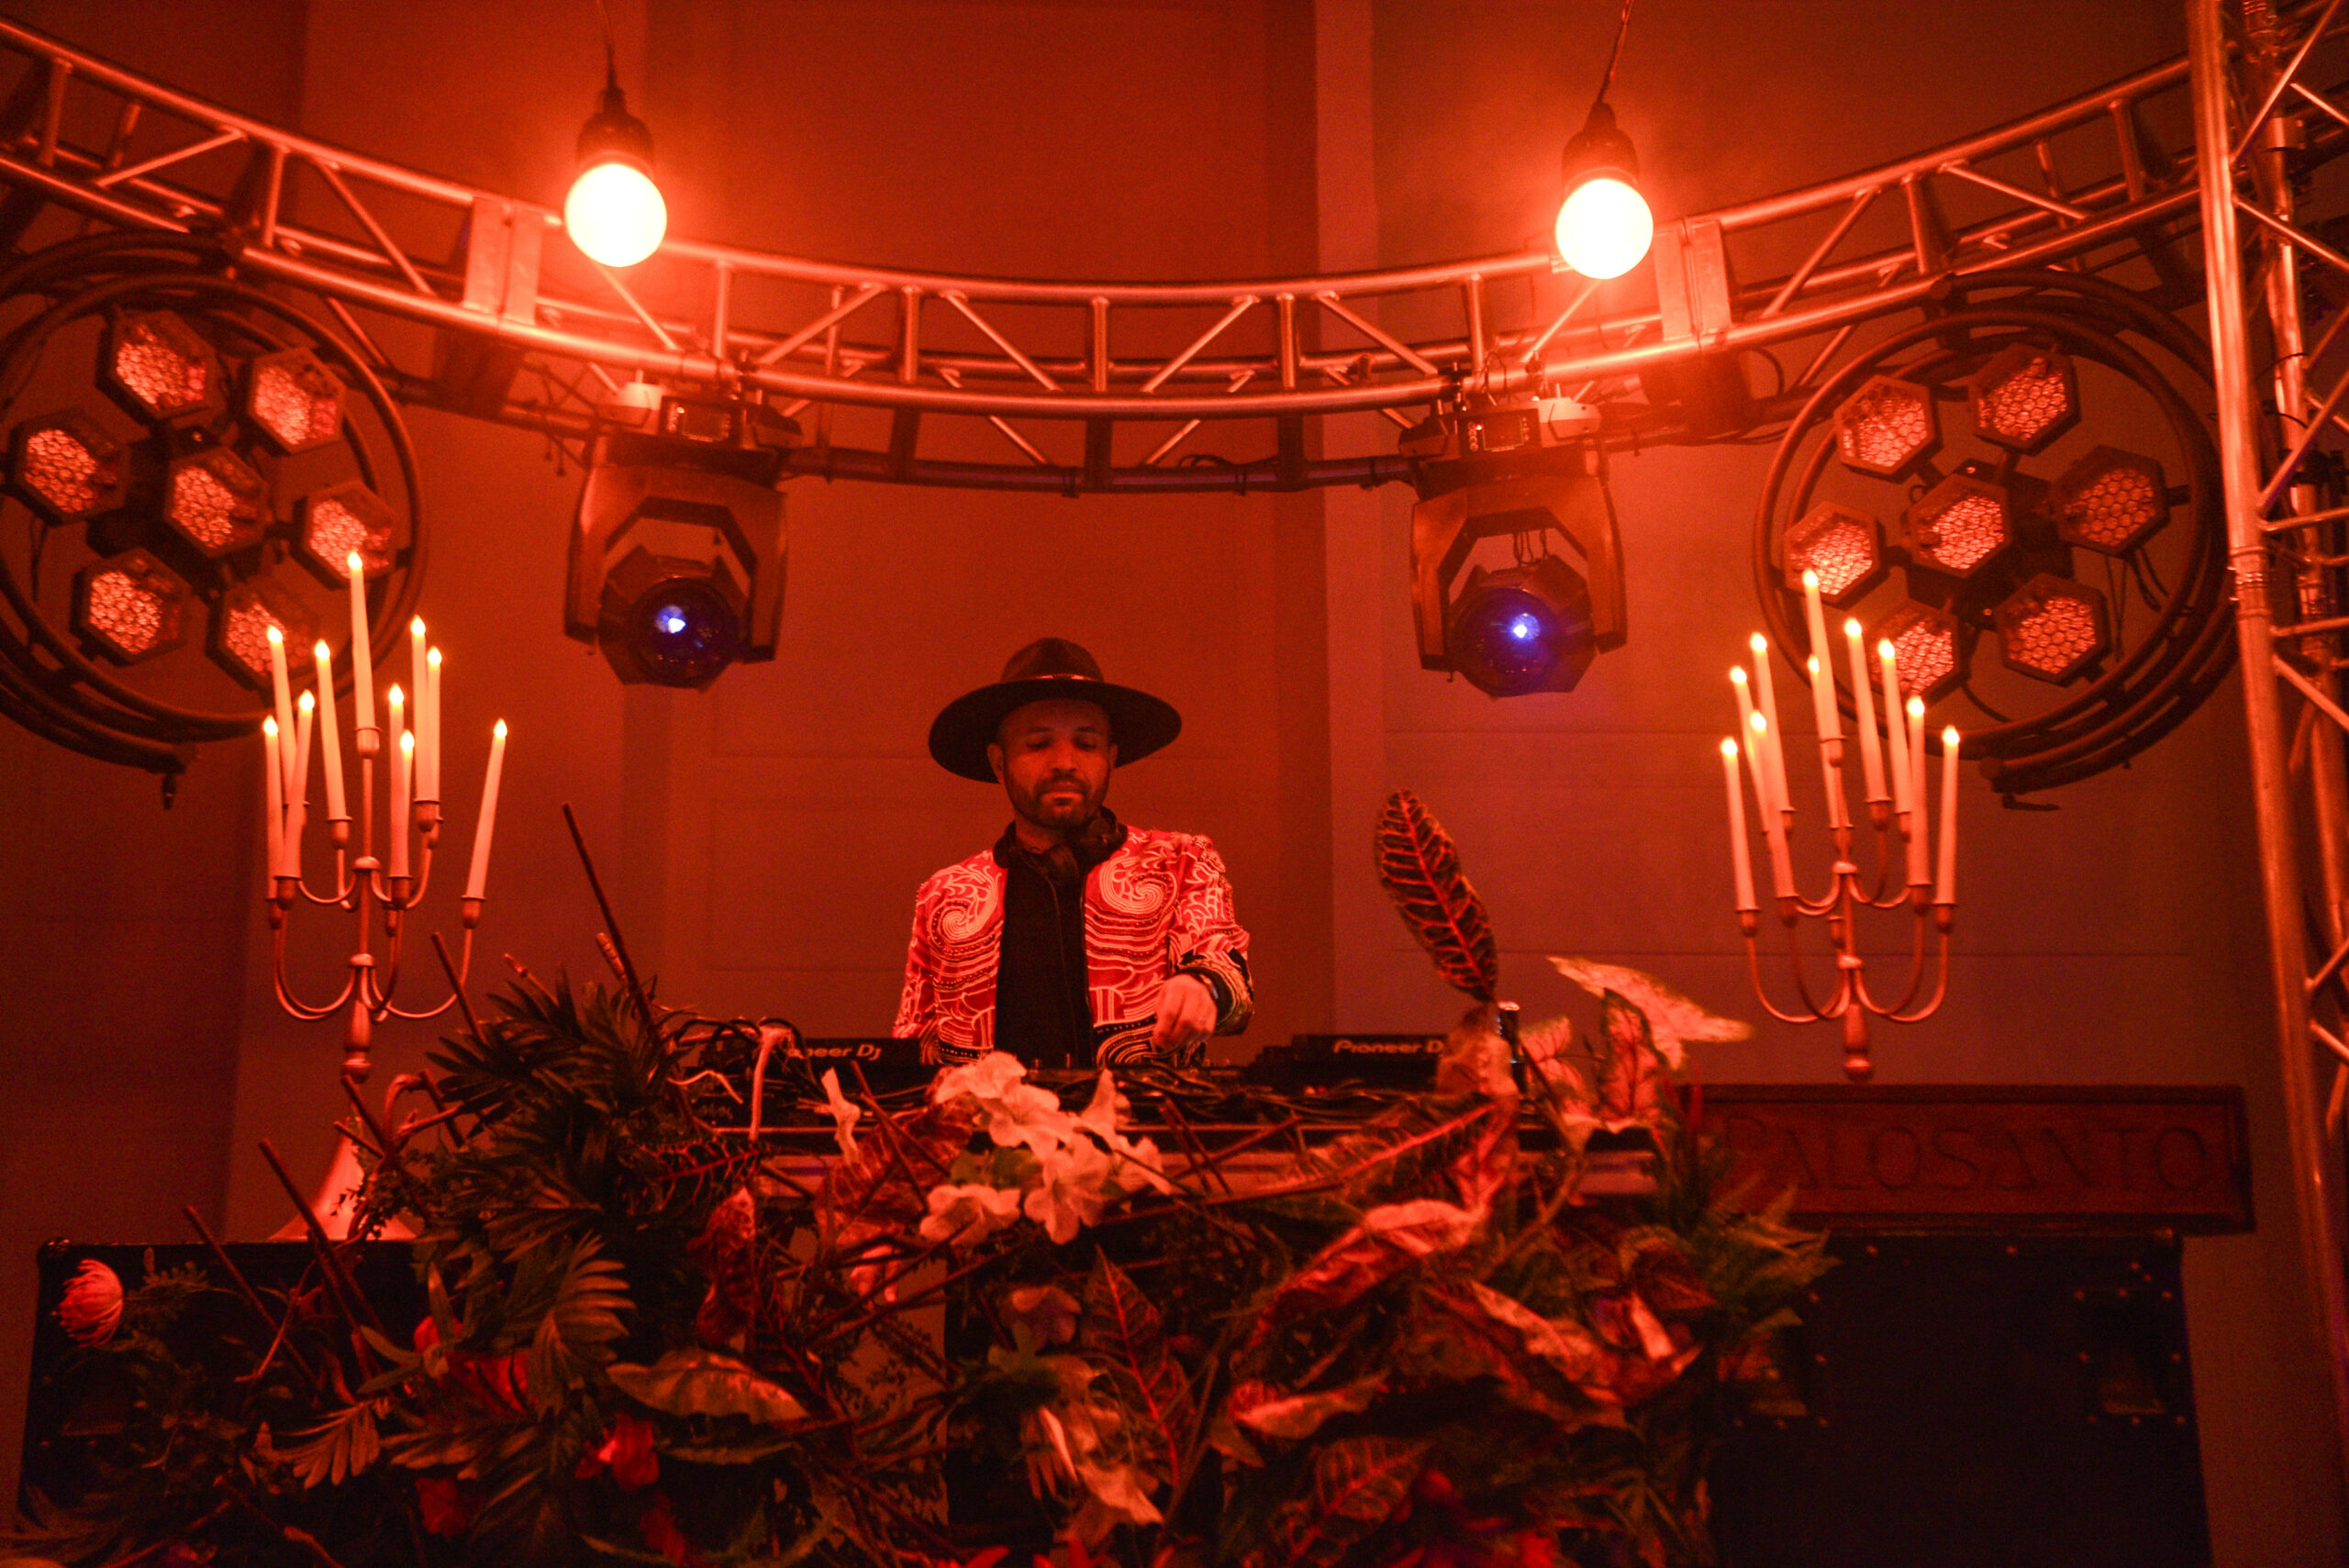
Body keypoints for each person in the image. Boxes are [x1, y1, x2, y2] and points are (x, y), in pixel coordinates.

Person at [895, 638, 1252, 1068]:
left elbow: (1228, 975)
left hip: (1147, 1128)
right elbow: (910, 1049)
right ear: (998, 762)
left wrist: (1203, 988)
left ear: (1110, 758)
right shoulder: (945, 894)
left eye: (1085, 744)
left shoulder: (1179, 860)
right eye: (1038, 744)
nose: (1064, 761)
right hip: (988, 1132)